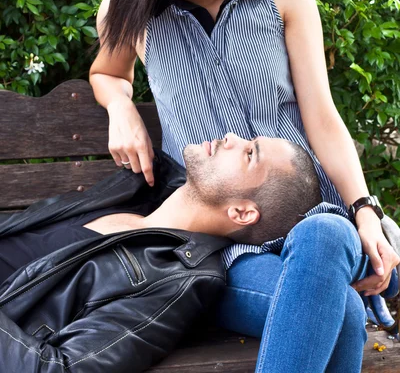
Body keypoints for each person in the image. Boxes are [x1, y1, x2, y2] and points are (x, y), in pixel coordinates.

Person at [89, 0, 400, 372]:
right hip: (222, 248)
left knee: (327, 242)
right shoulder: (129, 9)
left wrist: (364, 211)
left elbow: (322, 116)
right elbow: (107, 73)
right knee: (340, 306)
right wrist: (120, 108)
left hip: (327, 213)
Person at [0, 134, 321, 372]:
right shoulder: (137, 188)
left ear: (241, 212)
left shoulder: (174, 280)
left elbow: (61, 369)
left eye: (250, 153)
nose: (231, 138)